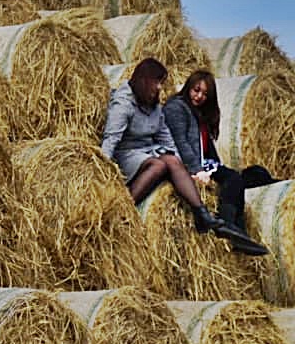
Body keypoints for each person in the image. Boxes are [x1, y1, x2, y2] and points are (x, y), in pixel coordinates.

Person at [100, 57, 261, 251]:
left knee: (171, 160)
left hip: (147, 152)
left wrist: (183, 169)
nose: (160, 87)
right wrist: (102, 173)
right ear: (145, 81)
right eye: (157, 82)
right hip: (126, 154)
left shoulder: (154, 107)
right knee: (160, 164)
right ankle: (124, 207)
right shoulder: (123, 104)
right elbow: (111, 139)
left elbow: (167, 139)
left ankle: (203, 214)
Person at [163, 69, 272, 256]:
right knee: (234, 180)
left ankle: (277, 188)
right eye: (196, 90)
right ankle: (229, 225)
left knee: (256, 173)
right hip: (190, 165)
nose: (199, 96)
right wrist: (196, 170)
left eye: (205, 94)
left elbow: (208, 148)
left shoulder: (199, 112)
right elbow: (180, 142)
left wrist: (219, 167)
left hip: (207, 163)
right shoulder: (177, 107)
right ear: (189, 86)